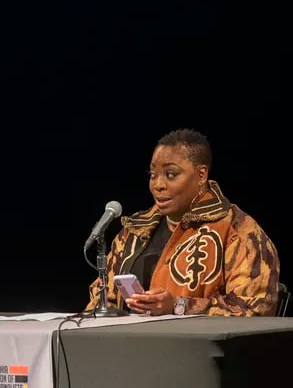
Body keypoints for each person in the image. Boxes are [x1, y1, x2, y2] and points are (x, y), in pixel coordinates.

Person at [84, 128, 280, 317]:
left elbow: (255, 308)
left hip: (196, 348)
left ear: (201, 175)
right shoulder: (135, 231)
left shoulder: (238, 231)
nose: (158, 185)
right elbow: (100, 300)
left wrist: (178, 306)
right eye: (153, 175)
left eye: (171, 175)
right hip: (127, 345)